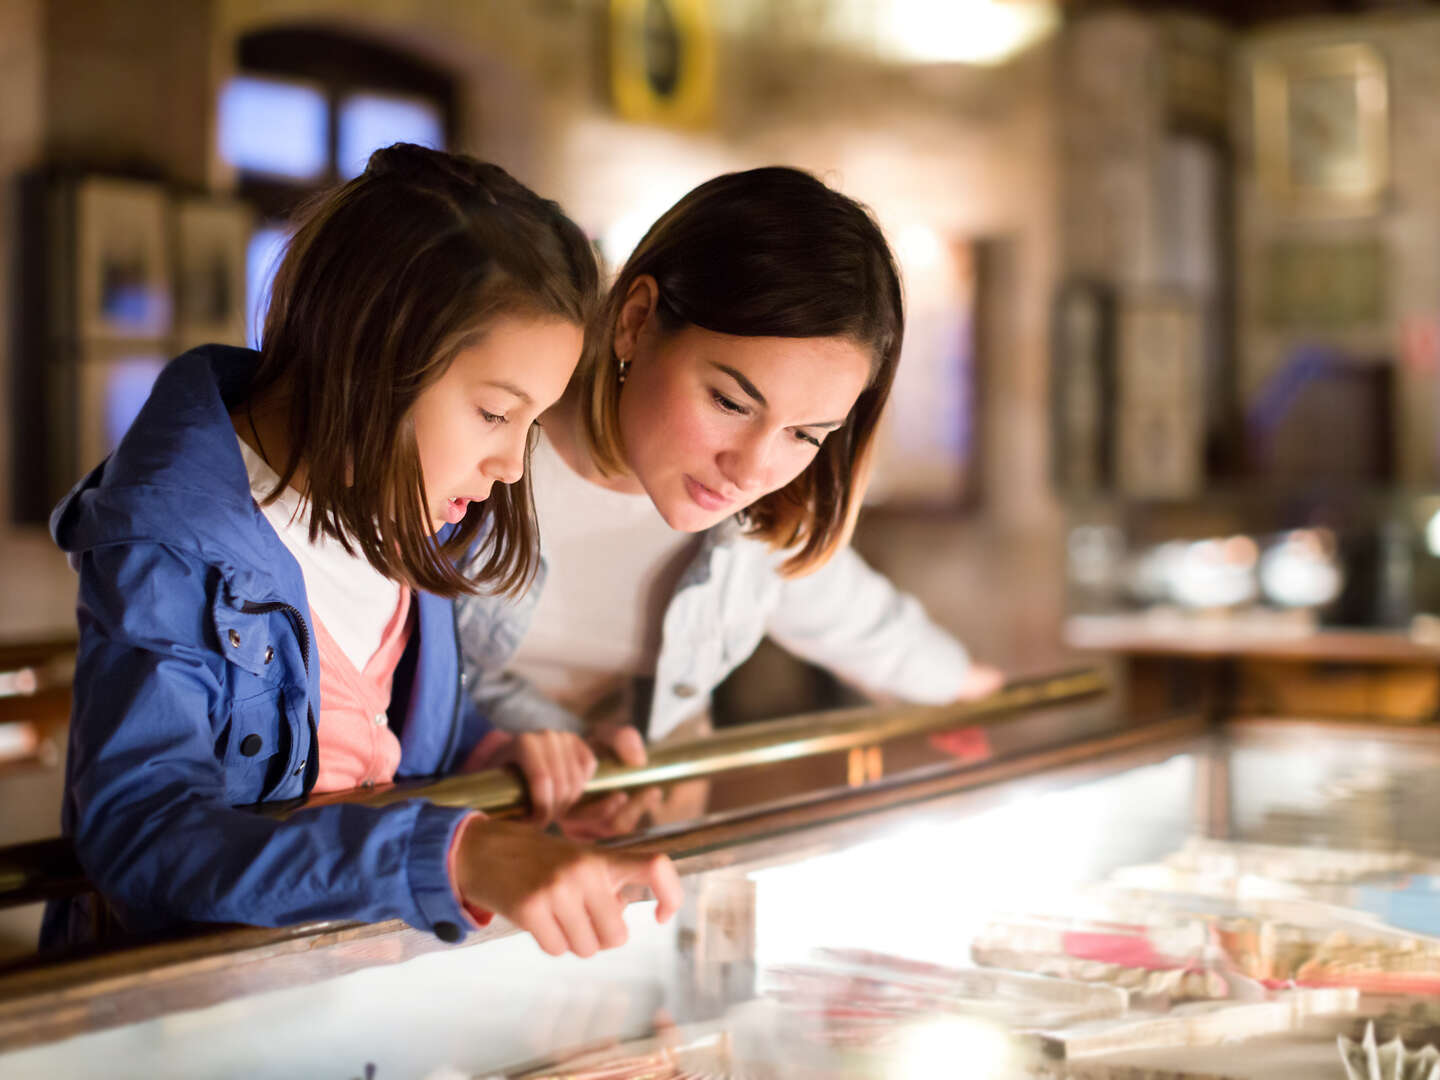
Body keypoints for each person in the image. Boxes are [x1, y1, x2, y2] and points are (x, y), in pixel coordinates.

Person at [43, 145, 679, 958]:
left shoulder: (407, 513)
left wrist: (497, 757)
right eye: (494, 413)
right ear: (372, 355)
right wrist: (456, 853)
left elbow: (370, 733)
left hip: (344, 997)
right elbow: (144, 837)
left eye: (531, 423)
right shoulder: (170, 548)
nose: (513, 466)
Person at [456, 166, 1002, 792]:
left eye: (805, 435)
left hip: (637, 821)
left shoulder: (763, 529)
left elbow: (866, 625)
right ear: (636, 319)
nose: (751, 471)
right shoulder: (474, 462)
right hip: (459, 818)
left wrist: (977, 692)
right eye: (731, 404)